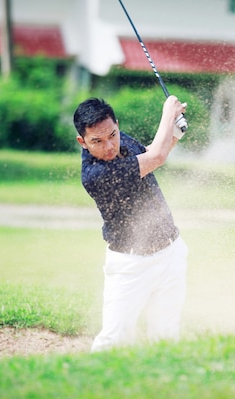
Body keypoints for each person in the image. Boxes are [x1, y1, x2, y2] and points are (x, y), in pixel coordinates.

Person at [73, 95, 188, 352]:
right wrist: (168, 114)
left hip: (171, 253)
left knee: (166, 337)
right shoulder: (95, 175)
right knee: (114, 341)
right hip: (131, 265)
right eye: (97, 141)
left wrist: (175, 134)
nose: (109, 146)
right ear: (83, 142)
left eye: (112, 135)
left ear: (116, 125)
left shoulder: (120, 140)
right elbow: (156, 157)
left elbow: (148, 155)